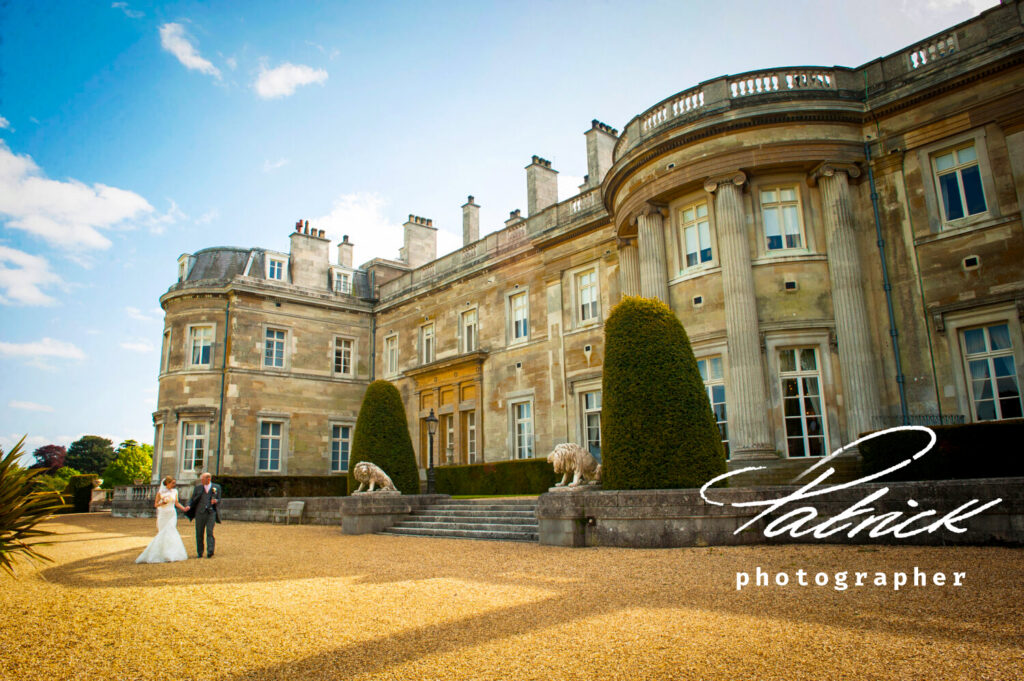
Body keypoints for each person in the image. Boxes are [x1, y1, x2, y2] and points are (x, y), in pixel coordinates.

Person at [135, 476, 189, 563]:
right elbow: (155, 505)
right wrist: (162, 503)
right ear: (167, 483)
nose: (174, 485)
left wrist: (183, 508)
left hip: (172, 513)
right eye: (172, 483)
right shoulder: (160, 492)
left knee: (171, 530)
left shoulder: (175, 491)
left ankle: (172, 553)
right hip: (163, 514)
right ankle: (160, 553)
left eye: (174, 483)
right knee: (163, 532)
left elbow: (176, 503)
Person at [185, 472, 221, 558]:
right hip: (200, 513)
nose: (201, 480)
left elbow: (219, 498)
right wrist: (189, 505)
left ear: (208, 479)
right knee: (199, 533)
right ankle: (200, 552)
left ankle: (210, 551)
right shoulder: (198, 488)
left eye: (203, 479)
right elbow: (192, 499)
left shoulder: (216, 487)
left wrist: (216, 501)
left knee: (209, 531)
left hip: (211, 512)